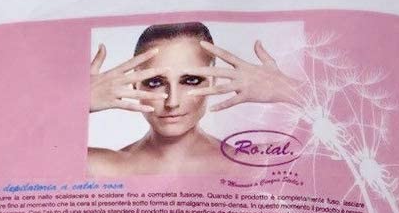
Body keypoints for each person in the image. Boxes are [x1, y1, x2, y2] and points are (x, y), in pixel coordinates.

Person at [86, 21, 303, 178]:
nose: (172, 102)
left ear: (213, 81)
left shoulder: (249, 164)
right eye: (154, 82)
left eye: (191, 81)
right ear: (135, 84)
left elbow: (322, 166)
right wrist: (79, 101)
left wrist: (288, 89)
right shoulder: (99, 168)